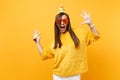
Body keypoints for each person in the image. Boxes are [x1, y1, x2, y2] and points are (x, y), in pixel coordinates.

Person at [33, 5, 100, 80]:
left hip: (74, 76)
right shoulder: (55, 41)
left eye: (64, 20)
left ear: (68, 22)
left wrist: (91, 24)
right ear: (56, 24)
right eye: (59, 21)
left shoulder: (79, 33)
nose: (62, 23)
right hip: (58, 76)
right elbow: (43, 54)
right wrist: (37, 42)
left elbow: (95, 36)